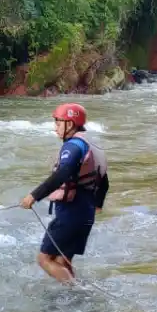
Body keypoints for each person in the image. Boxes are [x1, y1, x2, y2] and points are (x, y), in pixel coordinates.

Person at [19, 103, 108, 284]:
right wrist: (97, 205)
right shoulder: (89, 144)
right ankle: (73, 299)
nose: (55, 128)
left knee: (44, 259)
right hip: (85, 210)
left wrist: (34, 196)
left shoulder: (73, 147)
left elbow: (62, 174)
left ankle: (78, 292)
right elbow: (104, 181)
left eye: (58, 123)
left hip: (72, 211)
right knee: (62, 260)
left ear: (70, 124)